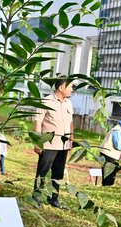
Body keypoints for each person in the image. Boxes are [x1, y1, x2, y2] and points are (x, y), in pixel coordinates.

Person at [33, 78, 74, 209]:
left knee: (58, 173)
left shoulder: (69, 103)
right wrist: (38, 142)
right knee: (42, 172)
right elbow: (38, 122)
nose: (72, 89)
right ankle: (36, 197)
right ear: (61, 88)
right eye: (70, 86)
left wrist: (71, 139)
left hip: (63, 145)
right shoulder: (46, 101)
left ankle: (54, 199)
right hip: (48, 145)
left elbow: (71, 123)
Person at [99, 117, 121, 186]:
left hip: (111, 154)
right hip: (108, 154)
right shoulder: (117, 130)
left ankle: (108, 186)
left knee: (112, 171)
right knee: (108, 172)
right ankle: (106, 186)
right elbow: (118, 146)